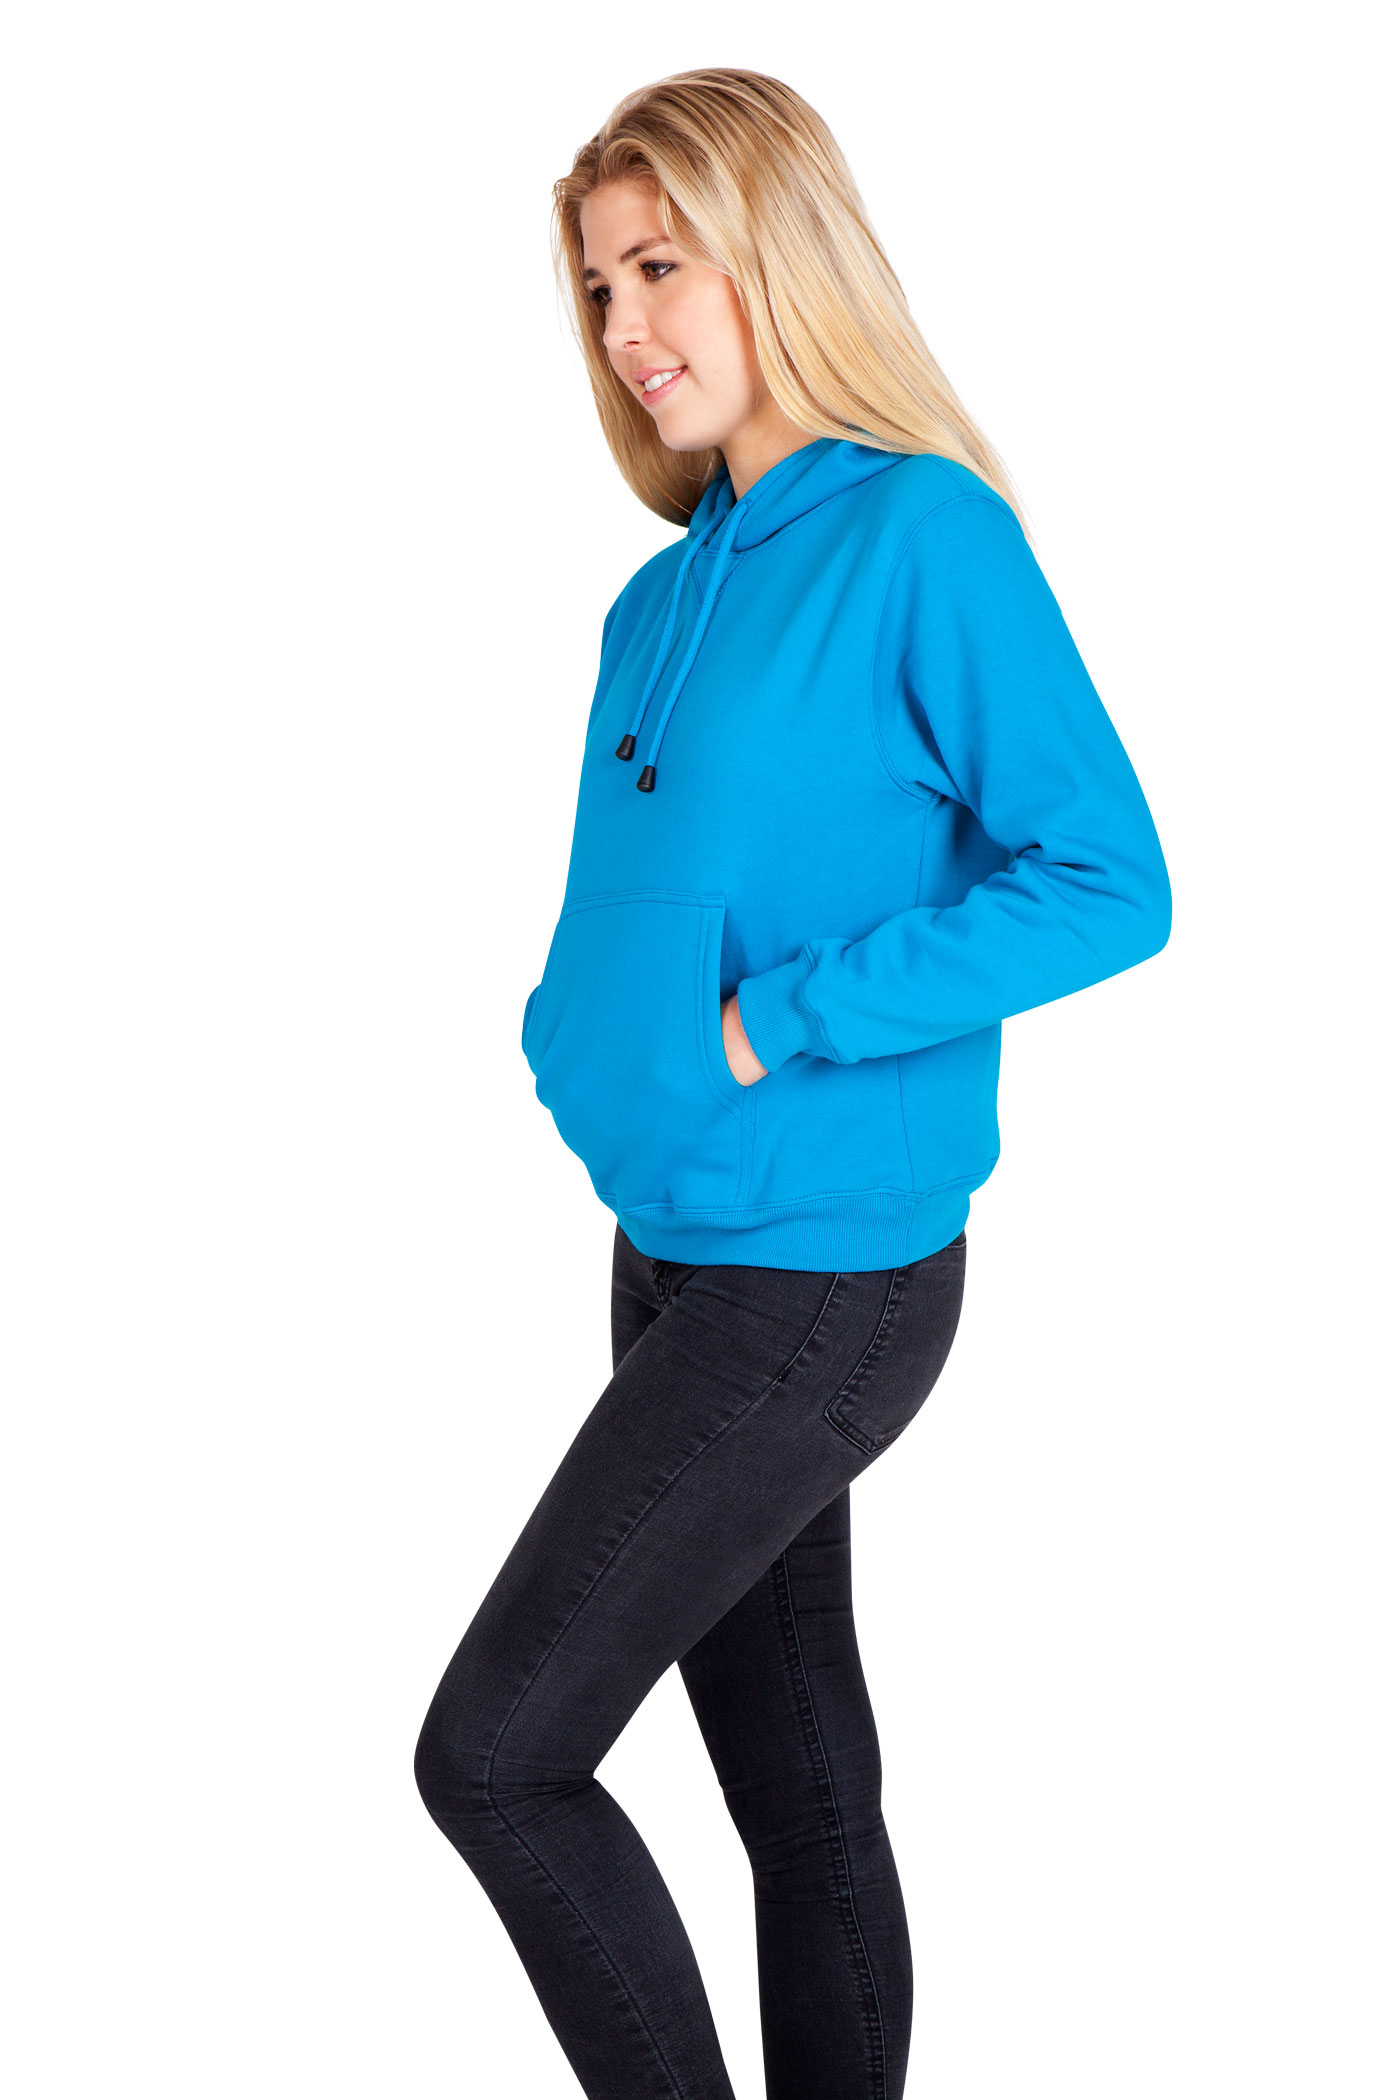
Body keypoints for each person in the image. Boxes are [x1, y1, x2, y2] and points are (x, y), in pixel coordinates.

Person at [414, 66, 1171, 2100]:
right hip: (668, 1252)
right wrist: (578, 1038)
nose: (626, 324)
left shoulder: (923, 536)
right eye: (597, 285)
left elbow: (1109, 881)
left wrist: (783, 1022)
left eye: (663, 265)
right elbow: (632, 911)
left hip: (826, 1275)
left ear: (778, 253)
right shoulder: (659, 596)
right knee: (802, 1796)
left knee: (493, 1758)